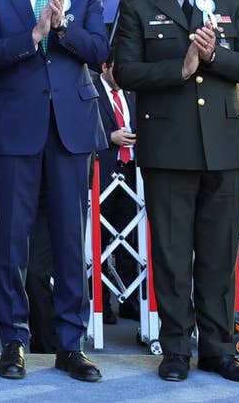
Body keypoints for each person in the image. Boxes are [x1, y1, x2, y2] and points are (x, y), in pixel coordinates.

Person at [112, 0, 239, 385]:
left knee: (219, 254)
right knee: (173, 253)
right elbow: (126, 70)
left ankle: (219, 348)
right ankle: (176, 347)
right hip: (167, 144)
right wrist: (180, 68)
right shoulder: (138, 4)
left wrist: (213, 55)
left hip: (221, 144)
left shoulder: (230, 3)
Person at [0, 0, 107, 382]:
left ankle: (71, 343)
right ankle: (14, 340)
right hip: (14, 131)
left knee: (72, 242)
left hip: (71, 130)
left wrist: (62, 27)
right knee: (11, 240)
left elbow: (99, 50)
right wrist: (33, 34)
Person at [95, 58, 139, 322]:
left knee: (128, 240)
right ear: (105, 68)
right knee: (98, 240)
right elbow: (82, 128)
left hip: (131, 173)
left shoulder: (132, 94)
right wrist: (109, 138)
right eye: (117, 68)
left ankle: (129, 299)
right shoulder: (91, 91)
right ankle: (101, 302)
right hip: (103, 172)